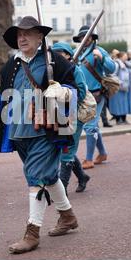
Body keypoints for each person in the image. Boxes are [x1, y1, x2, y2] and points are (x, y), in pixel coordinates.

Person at [0, 16, 79, 254]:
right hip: (19, 132)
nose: (22, 38)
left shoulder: (56, 61)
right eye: (19, 35)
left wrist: (62, 91)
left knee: (35, 177)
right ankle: (68, 216)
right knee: (48, 177)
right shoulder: (10, 64)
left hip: (48, 129)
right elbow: (4, 95)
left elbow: (76, 91)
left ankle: (32, 233)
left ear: (39, 37)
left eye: (27, 33)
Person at [73, 25, 115, 170]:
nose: (84, 39)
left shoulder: (99, 51)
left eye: (87, 36)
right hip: (81, 95)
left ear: (92, 38)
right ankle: (102, 153)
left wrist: (102, 58)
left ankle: (89, 159)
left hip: (97, 94)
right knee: (92, 126)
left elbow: (112, 68)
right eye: (82, 37)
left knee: (90, 127)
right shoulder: (76, 53)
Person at [51, 42, 90, 194]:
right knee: (65, 149)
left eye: (59, 53)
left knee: (67, 151)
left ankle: (62, 190)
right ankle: (82, 176)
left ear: (67, 54)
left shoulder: (75, 70)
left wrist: (64, 97)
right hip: (58, 115)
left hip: (73, 114)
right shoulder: (53, 71)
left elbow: (80, 92)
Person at [109, 51, 131, 124]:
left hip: (126, 87)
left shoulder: (126, 64)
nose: (126, 57)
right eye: (124, 56)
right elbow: (113, 75)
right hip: (118, 88)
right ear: (120, 57)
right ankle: (118, 120)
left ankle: (124, 119)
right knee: (118, 104)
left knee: (125, 103)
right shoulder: (117, 64)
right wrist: (119, 82)